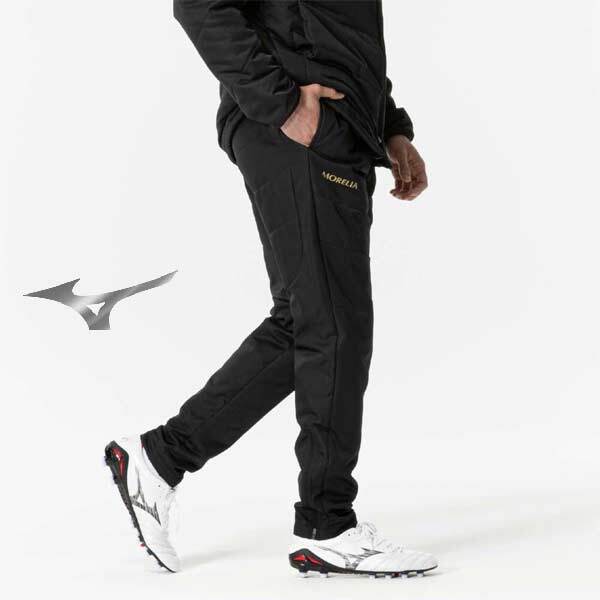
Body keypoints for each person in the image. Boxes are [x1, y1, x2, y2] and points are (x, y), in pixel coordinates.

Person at [105, 0, 435, 578]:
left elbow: (341, 35)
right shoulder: (288, 110)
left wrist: (390, 128)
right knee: (334, 325)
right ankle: (328, 526)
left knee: (309, 321)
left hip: (337, 132)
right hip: (299, 127)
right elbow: (199, 5)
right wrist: (282, 104)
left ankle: (160, 459)